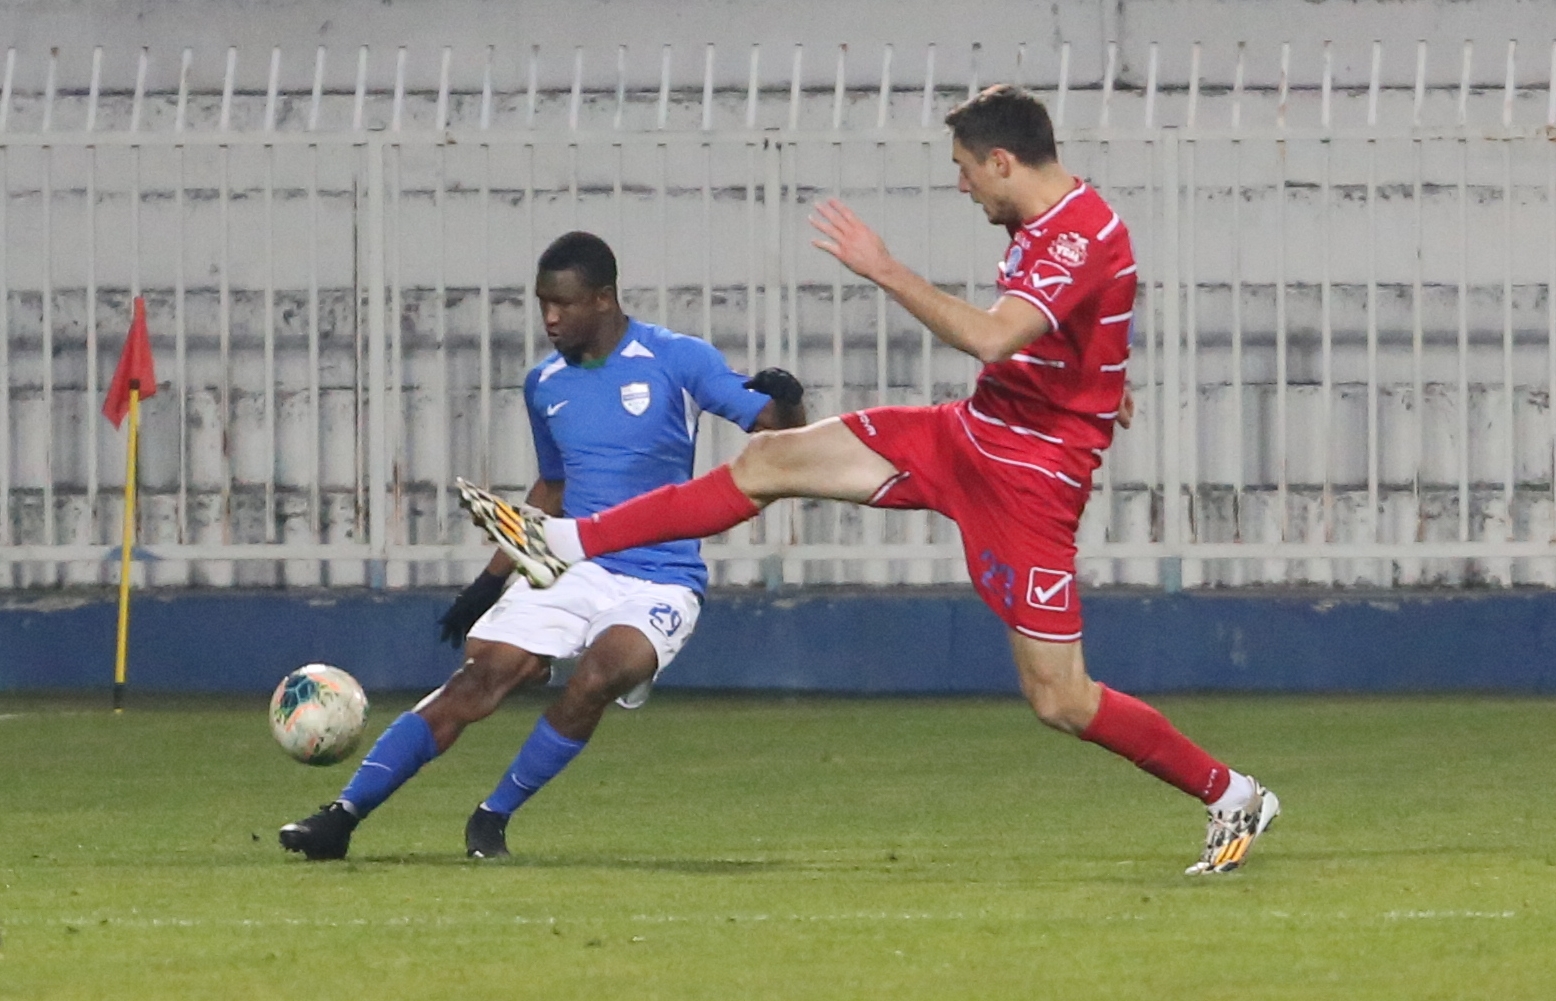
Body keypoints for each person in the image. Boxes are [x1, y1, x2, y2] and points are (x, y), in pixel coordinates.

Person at [465, 86, 1280, 875]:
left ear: (1002, 160)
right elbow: (1081, 322)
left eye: (965, 168)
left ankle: (1233, 793)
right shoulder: (1048, 224)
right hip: (969, 435)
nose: (960, 184)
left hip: (1030, 481)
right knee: (767, 460)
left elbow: (997, 338)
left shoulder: (1075, 233)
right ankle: (566, 538)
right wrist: (1099, 380)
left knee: (1061, 699)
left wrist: (885, 269)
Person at [279, 230, 806, 860]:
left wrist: (789, 398)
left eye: (564, 304)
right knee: (482, 677)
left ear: (605, 299)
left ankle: (492, 818)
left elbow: (778, 437)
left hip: (660, 576)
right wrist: (490, 579)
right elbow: (553, 485)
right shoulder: (544, 383)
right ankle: (340, 817)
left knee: (599, 675)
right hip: (572, 567)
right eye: (542, 303)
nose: (550, 318)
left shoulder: (677, 359)